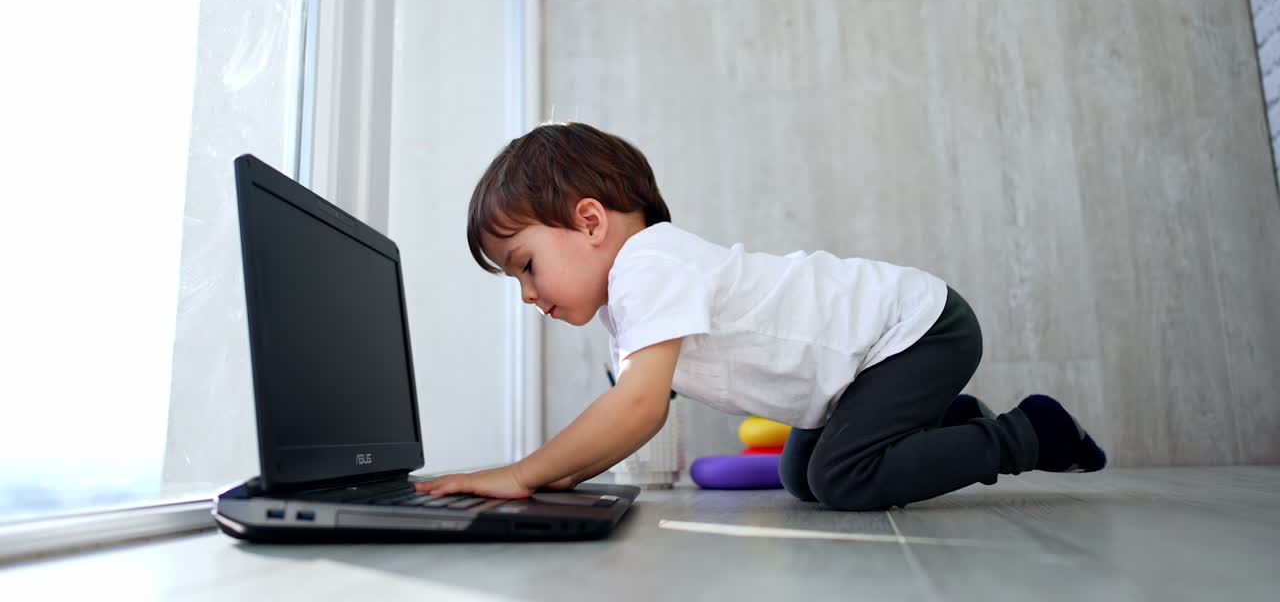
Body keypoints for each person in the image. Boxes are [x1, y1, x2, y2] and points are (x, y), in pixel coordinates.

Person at [414, 122, 1106, 510]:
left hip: (916, 331)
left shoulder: (648, 265)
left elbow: (637, 409)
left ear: (589, 221)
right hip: (871, 366)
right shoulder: (629, 305)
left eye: (526, 266)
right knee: (802, 474)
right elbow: (624, 419)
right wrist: (558, 476)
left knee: (844, 477)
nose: (529, 295)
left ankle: (1028, 435)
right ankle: (949, 421)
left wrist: (525, 471)